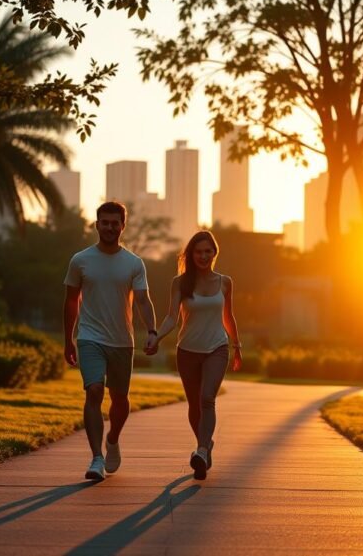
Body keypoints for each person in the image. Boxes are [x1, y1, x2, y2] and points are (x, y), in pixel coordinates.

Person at [64, 201, 158, 481]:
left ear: (122, 226)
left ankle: (113, 438)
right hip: (90, 337)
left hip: (121, 340)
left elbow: (142, 300)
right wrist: (69, 339)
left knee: (120, 399)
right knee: (93, 391)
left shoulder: (133, 263)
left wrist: (151, 330)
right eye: (104, 222)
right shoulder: (80, 260)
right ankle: (96, 458)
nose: (109, 227)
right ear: (96, 225)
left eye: (114, 223)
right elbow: (70, 301)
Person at [145, 230, 242, 480]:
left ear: (214, 253)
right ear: (191, 254)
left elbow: (228, 316)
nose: (203, 255)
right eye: (198, 251)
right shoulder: (180, 282)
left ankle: (200, 450)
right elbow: (171, 317)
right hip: (187, 350)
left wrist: (236, 346)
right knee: (194, 405)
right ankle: (206, 446)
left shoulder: (225, 282)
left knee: (207, 398)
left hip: (217, 348)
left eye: (207, 251)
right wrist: (157, 336)